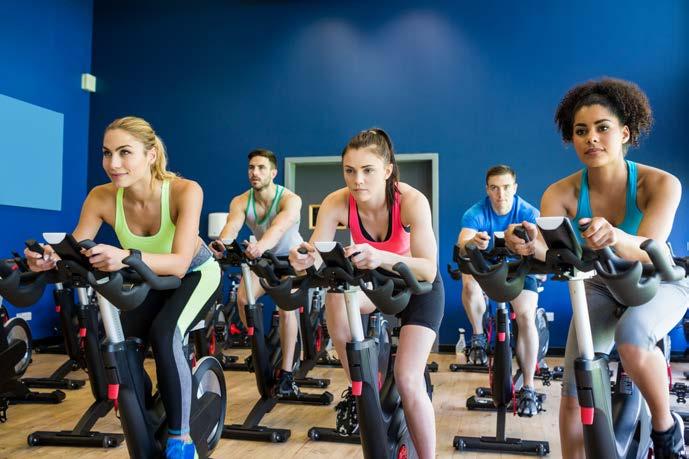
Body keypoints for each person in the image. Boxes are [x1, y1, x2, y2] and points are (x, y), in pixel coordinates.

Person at [505, 78, 689, 458]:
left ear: (625, 133)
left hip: (658, 281)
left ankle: (667, 429)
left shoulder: (660, 184)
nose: (591, 138)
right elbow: (550, 250)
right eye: (581, 131)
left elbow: (647, 249)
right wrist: (526, 241)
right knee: (577, 386)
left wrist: (615, 236)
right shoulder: (561, 193)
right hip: (601, 285)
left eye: (603, 127)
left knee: (631, 337)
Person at [25, 116, 220, 459]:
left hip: (194, 275)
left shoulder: (185, 191)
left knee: (165, 334)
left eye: (125, 152)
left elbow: (178, 263)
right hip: (147, 278)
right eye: (107, 153)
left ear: (151, 154)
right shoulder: (101, 197)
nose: (113, 163)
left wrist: (126, 256)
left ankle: (181, 439)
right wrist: (48, 258)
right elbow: (76, 246)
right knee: (119, 347)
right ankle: (150, 416)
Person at [289, 128, 444, 459]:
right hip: (373, 284)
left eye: (367, 170)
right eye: (349, 170)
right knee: (335, 294)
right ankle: (360, 387)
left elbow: (428, 269)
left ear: (387, 170)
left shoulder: (411, 200)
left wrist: (381, 256)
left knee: (408, 379)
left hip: (418, 287)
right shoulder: (336, 202)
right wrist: (302, 260)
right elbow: (315, 253)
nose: (357, 180)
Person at [210, 149, 303, 396]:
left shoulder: (290, 199)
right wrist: (221, 244)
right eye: (251, 167)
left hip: (290, 260)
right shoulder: (241, 201)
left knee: (287, 310)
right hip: (263, 258)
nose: (255, 172)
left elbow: (279, 227)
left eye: (261, 168)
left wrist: (260, 246)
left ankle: (287, 373)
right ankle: (260, 348)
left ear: (273, 172)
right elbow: (232, 226)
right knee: (243, 299)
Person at [457, 165, 542, 416]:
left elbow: (541, 246)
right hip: (489, 269)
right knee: (468, 277)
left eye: (506, 188)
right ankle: (478, 337)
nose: (500, 194)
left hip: (519, 270)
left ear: (515, 188)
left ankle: (528, 387)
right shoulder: (476, 212)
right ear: (487, 189)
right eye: (494, 188)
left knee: (526, 317)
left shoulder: (528, 212)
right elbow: (462, 242)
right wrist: (472, 243)